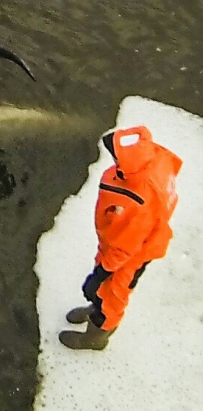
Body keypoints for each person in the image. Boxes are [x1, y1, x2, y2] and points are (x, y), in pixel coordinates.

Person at [60, 125, 181, 350]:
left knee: (114, 294)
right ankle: (98, 305)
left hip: (134, 251)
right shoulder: (154, 160)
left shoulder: (138, 205)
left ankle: (97, 335)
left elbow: (124, 250)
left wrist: (99, 275)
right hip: (121, 240)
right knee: (104, 286)